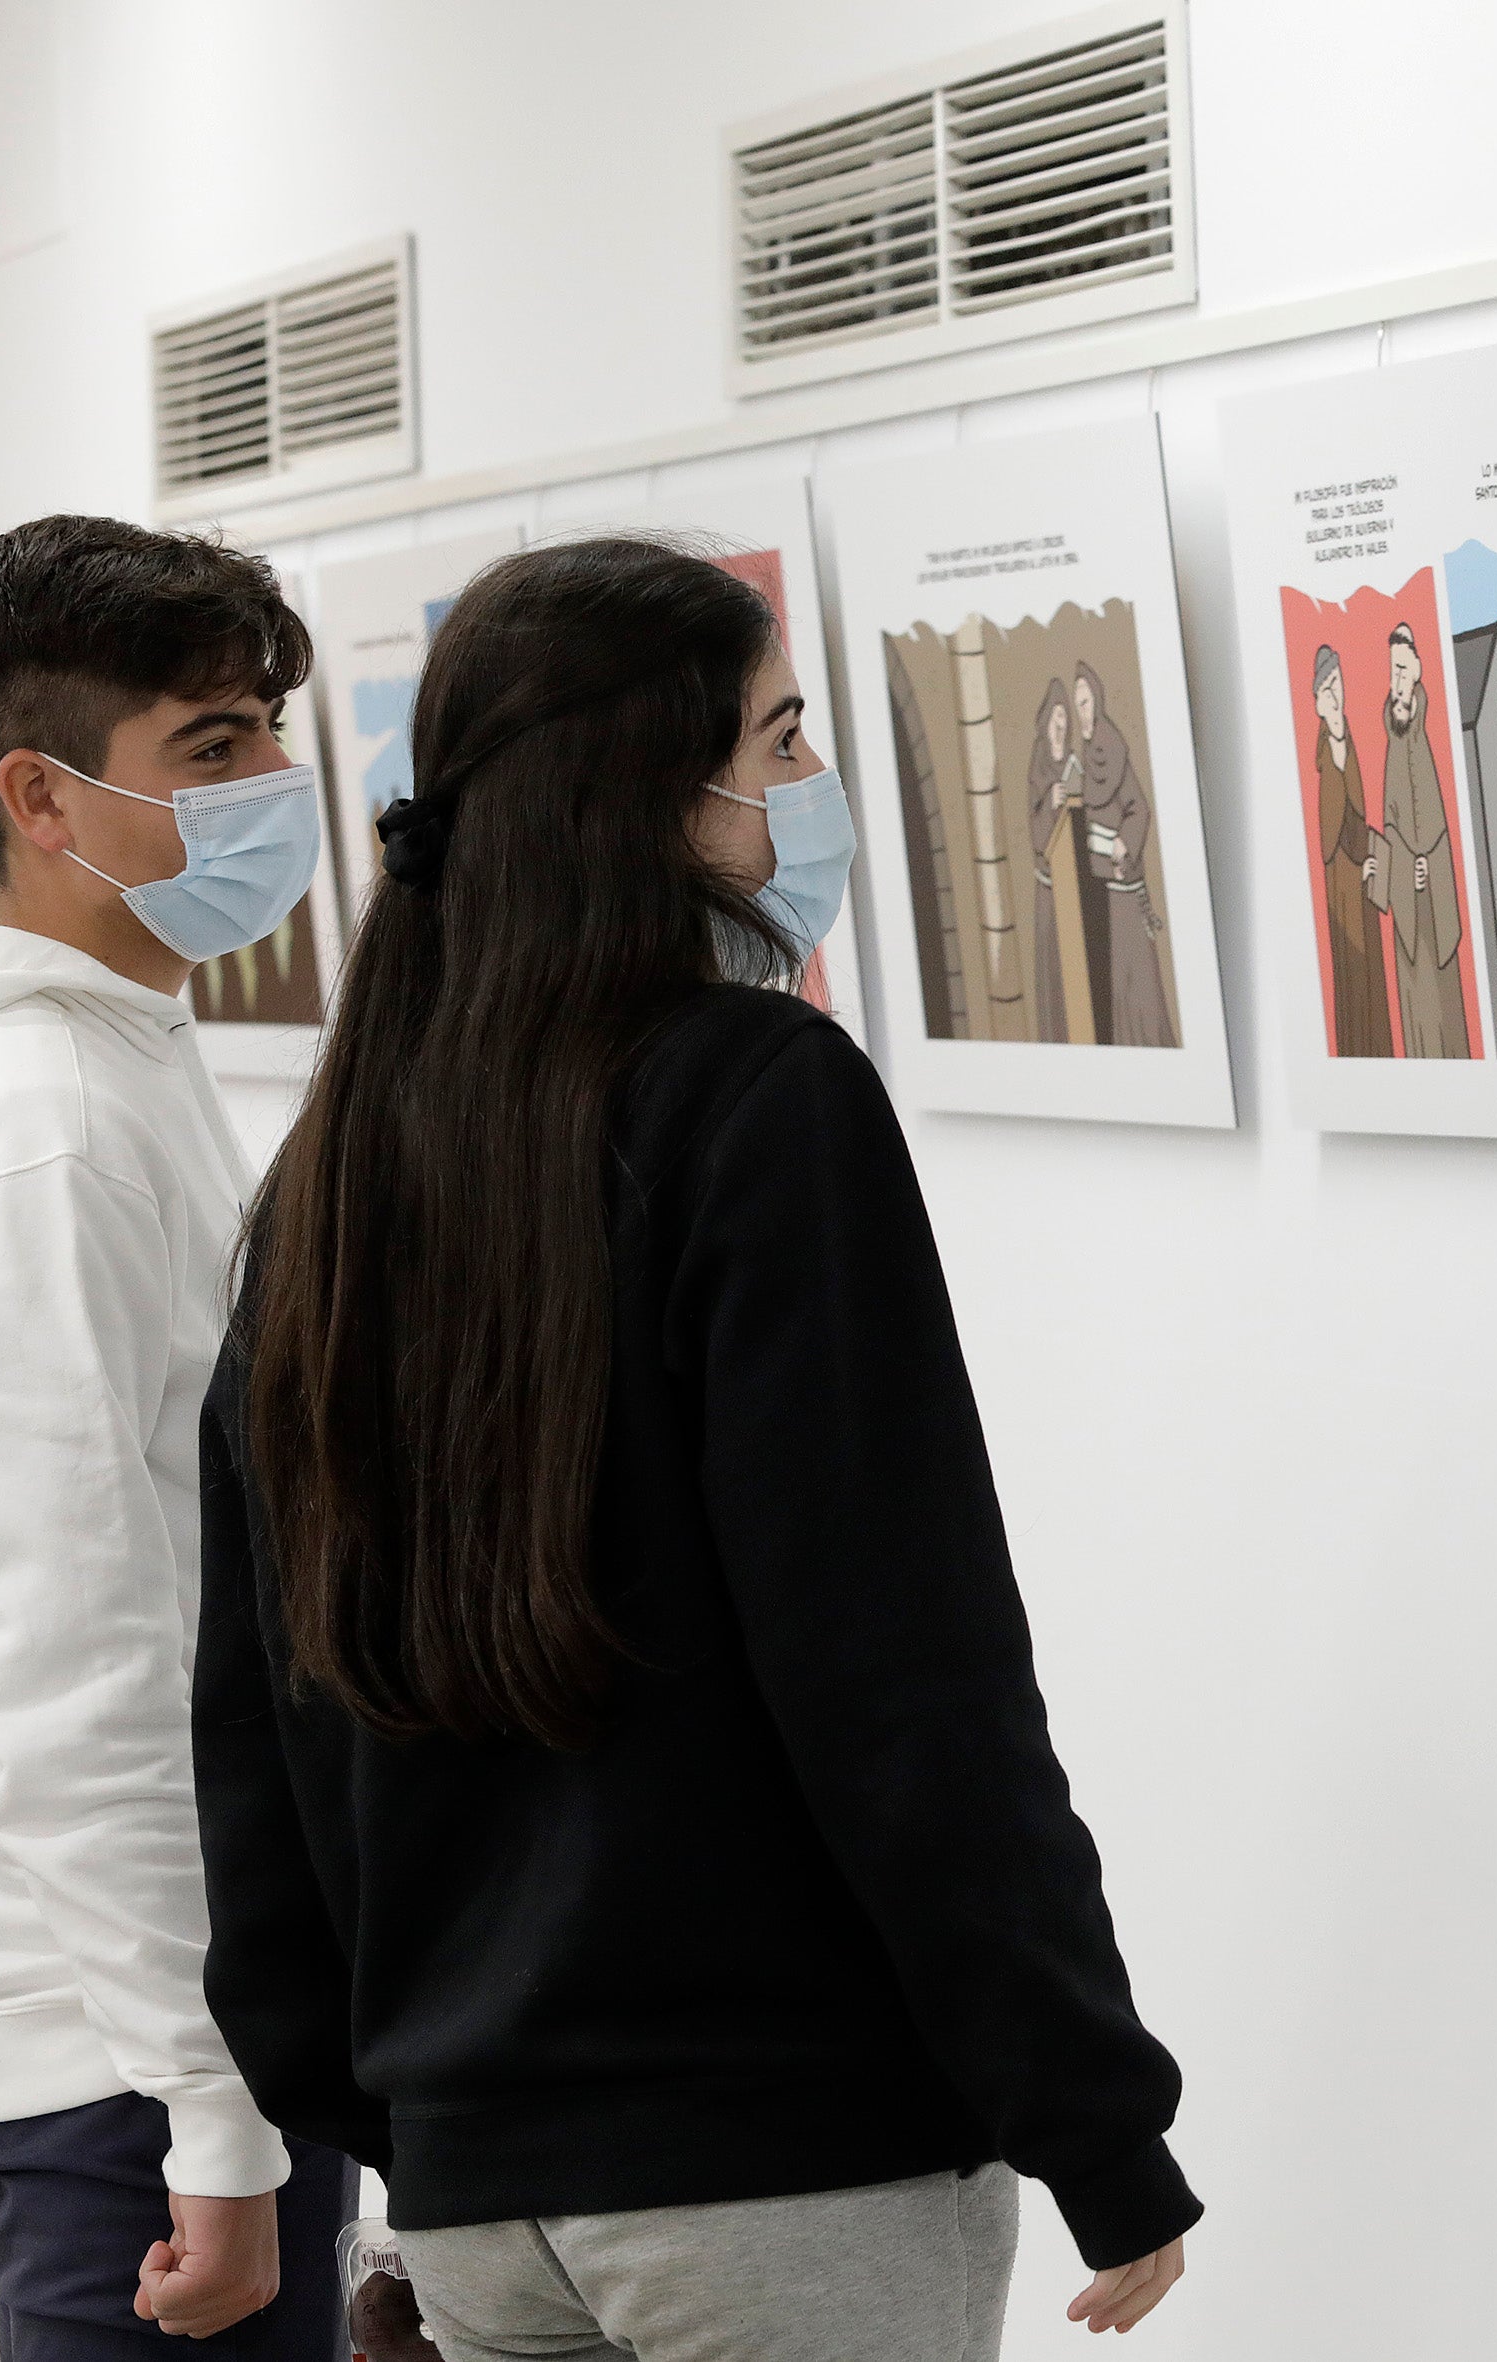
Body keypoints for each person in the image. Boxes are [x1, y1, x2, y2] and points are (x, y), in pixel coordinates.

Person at [197, 537, 1199, 2362]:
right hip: (781, 2158)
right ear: (664, 784)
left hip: (476, 2188)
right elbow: (900, 1670)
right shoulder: (760, 1096)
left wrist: (371, 2104)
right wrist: (1093, 2115)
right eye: (784, 736)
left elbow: (257, 1703)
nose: (807, 788)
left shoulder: (336, 1165)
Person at [0, 515, 355, 2355]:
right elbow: (71, 1668)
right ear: (41, 792)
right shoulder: (38, 1132)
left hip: (130, 2008)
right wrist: (211, 2108)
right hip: (112, 2040)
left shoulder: (109, 1054)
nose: (277, 781)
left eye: (269, 728)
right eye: (212, 746)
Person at [1364, 623, 1472, 1058]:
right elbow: (1392, 829)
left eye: (1404, 671)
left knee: (1442, 1010)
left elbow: (1437, 829)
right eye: (1393, 672)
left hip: (1430, 909)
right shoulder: (1394, 745)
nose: (1397, 684)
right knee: (1414, 1009)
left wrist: (1429, 865)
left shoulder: (1421, 745)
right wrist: (1379, 876)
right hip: (1406, 907)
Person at [1070, 660, 1176, 1049]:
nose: (1081, 711)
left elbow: (1139, 808)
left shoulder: (1110, 747)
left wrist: (1124, 843)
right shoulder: (1086, 754)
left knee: (1136, 972)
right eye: (1077, 703)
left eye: (1085, 703)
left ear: (1096, 702)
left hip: (1122, 883)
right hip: (1099, 884)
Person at [1309, 644, 1395, 1058]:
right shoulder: (1326, 751)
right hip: (1343, 886)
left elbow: (1357, 814)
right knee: (1352, 972)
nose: (1334, 693)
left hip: (1361, 880)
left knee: (1372, 975)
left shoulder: (1350, 740)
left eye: (1337, 682)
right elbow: (1332, 826)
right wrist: (1357, 857)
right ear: (1317, 699)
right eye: (1326, 687)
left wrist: (1371, 851)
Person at [1027, 679, 1079, 1041]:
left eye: (1065, 716)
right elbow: (1035, 827)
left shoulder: (1075, 761)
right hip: (1053, 887)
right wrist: (1051, 800)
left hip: (1078, 884)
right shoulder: (1040, 764)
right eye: (1055, 715)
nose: (1060, 723)